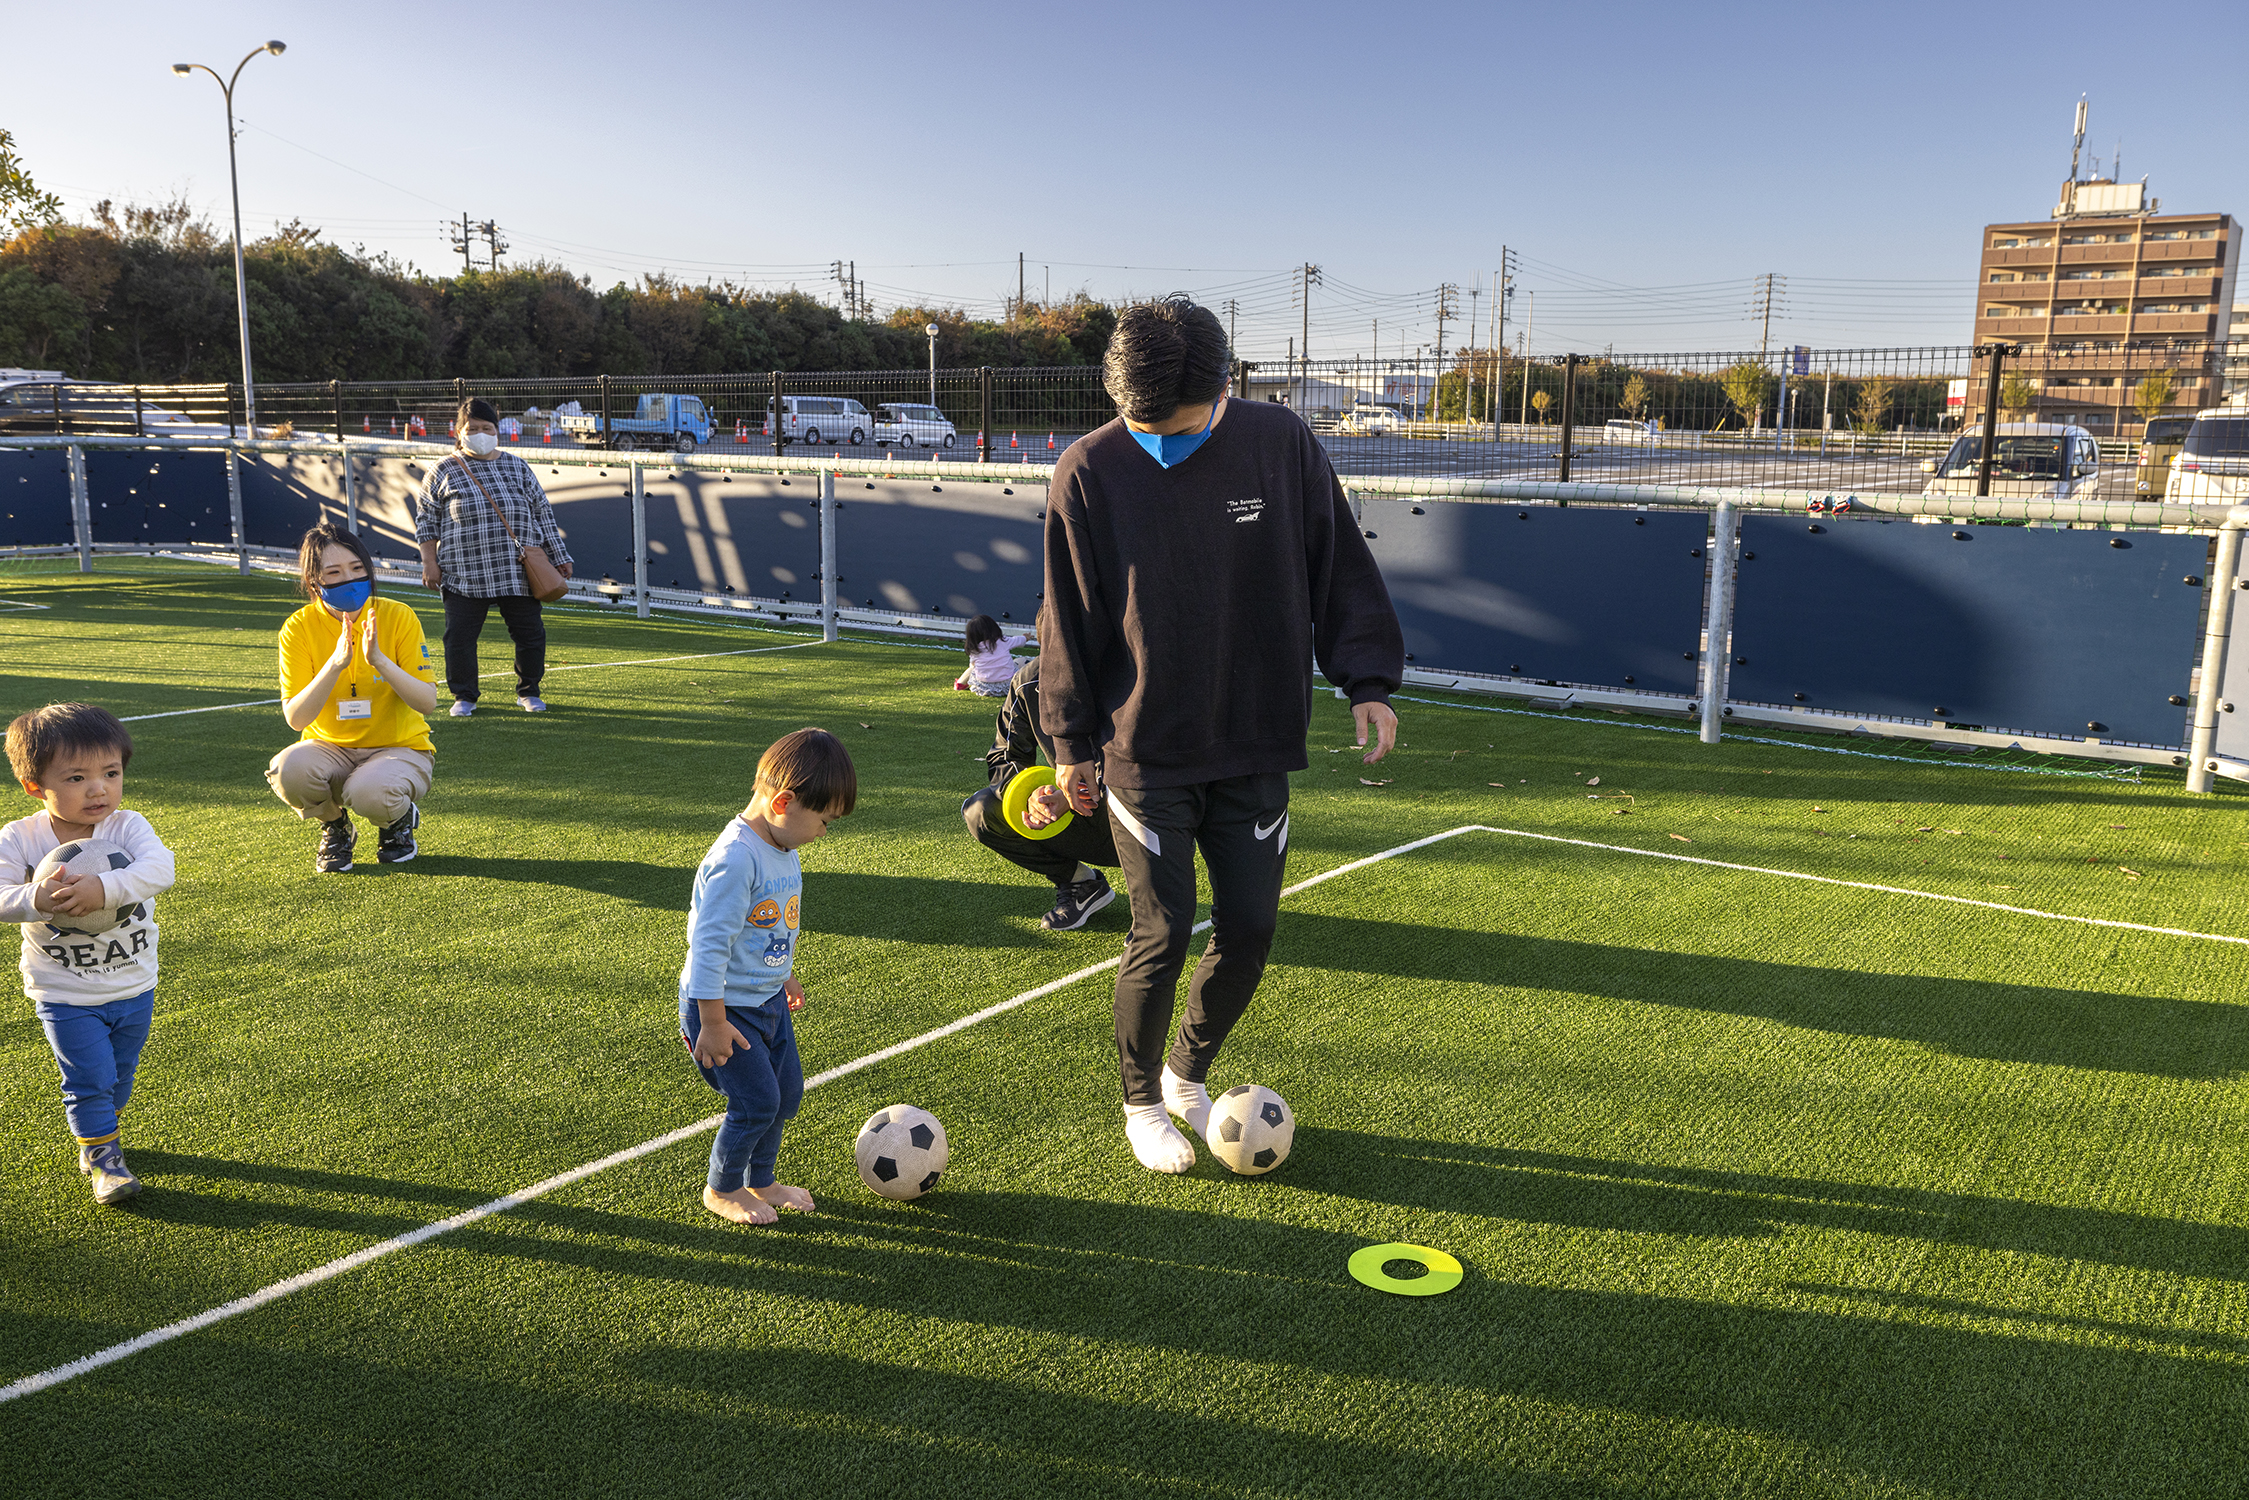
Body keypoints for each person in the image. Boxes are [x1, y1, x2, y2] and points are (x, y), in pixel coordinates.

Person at [1039, 296, 1404, 1174]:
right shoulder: (1086, 469)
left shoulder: (1278, 442)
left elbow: (1337, 563)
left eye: (1177, 421)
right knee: (1161, 931)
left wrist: (1367, 680)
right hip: (1142, 748)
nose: (1159, 436)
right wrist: (1069, 744)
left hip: (1252, 737)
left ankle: (1184, 1078)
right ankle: (1138, 1104)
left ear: (1223, 388)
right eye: (1139, 421)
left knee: (1249, 924)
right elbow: (1069, 615)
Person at [0, 703, 176, 1205]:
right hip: (65, 991)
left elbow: (160, 869)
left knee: (120, 1075)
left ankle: (101, 1129)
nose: (99, 789)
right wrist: (36, 898)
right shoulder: (20, 838)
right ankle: (104, 1158)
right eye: (77, 777)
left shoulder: (127, 827)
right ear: (36, 787)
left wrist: (105, 888)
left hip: (134, 983)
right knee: (89, 1077)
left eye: (111, 773)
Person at [682, 727, 856, 1226]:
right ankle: (723, 1188)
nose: (824, 833)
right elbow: (709, 949)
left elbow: (770, 922)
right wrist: (712, 1023)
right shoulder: (736, 859)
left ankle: (762, 1179)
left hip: (766, 998)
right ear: (783, 802)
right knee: (757, 1102)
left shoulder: (781, 845)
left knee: (786, 1095)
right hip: (722, 1007)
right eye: (824, 821)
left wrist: (784, 973)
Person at [268, 523, 439, 873]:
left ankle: (398, 819)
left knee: (370, 792)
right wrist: (334, 665)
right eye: (334, 573)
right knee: (288, 769)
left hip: (399, 746)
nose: (349, 579)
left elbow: (427, 702)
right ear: (315, 582)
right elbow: (297, 719)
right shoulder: (298, 628)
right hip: (330, 747)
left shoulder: (398, 615)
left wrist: (380, 661)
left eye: (357, 569)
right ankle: (335, 826)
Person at [415, 397, 573, 716]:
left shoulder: (517, 465)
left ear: (497, 431)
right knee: (458, 637)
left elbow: (542, 512)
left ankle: (529, 690)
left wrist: (560, 556)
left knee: (530, 633)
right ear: (459, 432)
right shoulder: (441, 470)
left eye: (487, 428)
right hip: (463, 571)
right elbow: (426, 520)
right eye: (472, 428)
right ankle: (464, 696)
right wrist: (429, 563)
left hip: (517, 570)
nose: (480, 433)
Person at [961, 658, 1120, 931]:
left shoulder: (1125, 672)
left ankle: (1155, 907)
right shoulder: (1028, 682)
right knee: (981, 811)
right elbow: (1004, 756)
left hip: (1144, 817)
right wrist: (1032, 795)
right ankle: (1082, 883)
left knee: (1143, 797)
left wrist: (1072, 794)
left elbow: (1145, 762)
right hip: (1081, 817)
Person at [954, 614, 1030, 697]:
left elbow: (972, 666)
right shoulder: (1003, 641)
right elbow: (1018, 641)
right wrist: (1025, 637)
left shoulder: (974, 649)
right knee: (1020, 661)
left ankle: (960, 684)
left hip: (983, 687)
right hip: (1008, 686)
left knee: (972, 668)